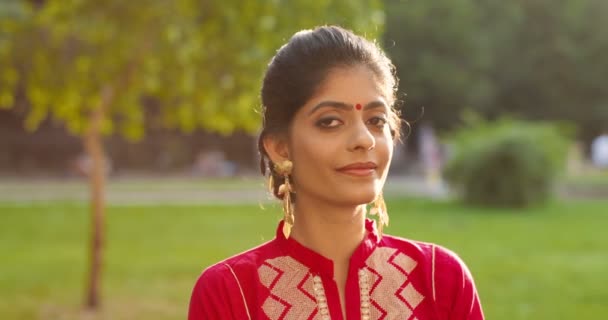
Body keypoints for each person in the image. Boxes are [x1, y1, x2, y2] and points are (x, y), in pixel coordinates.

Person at [188, 25, 484, 320]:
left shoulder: (439, 280)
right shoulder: (231, 292)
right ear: (280, 148)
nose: (364, 139)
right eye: (330, 121)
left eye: (376, 120)